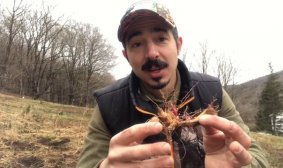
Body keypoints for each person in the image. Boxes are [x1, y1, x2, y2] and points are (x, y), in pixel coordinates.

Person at [77, 1, 269, 168]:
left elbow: (258, 156)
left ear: (178, 45)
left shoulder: (211, 91)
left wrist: (239, 164)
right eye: (137, 44)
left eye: (161, 38)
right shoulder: (109, 104)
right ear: (126, 56)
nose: (152, 53)